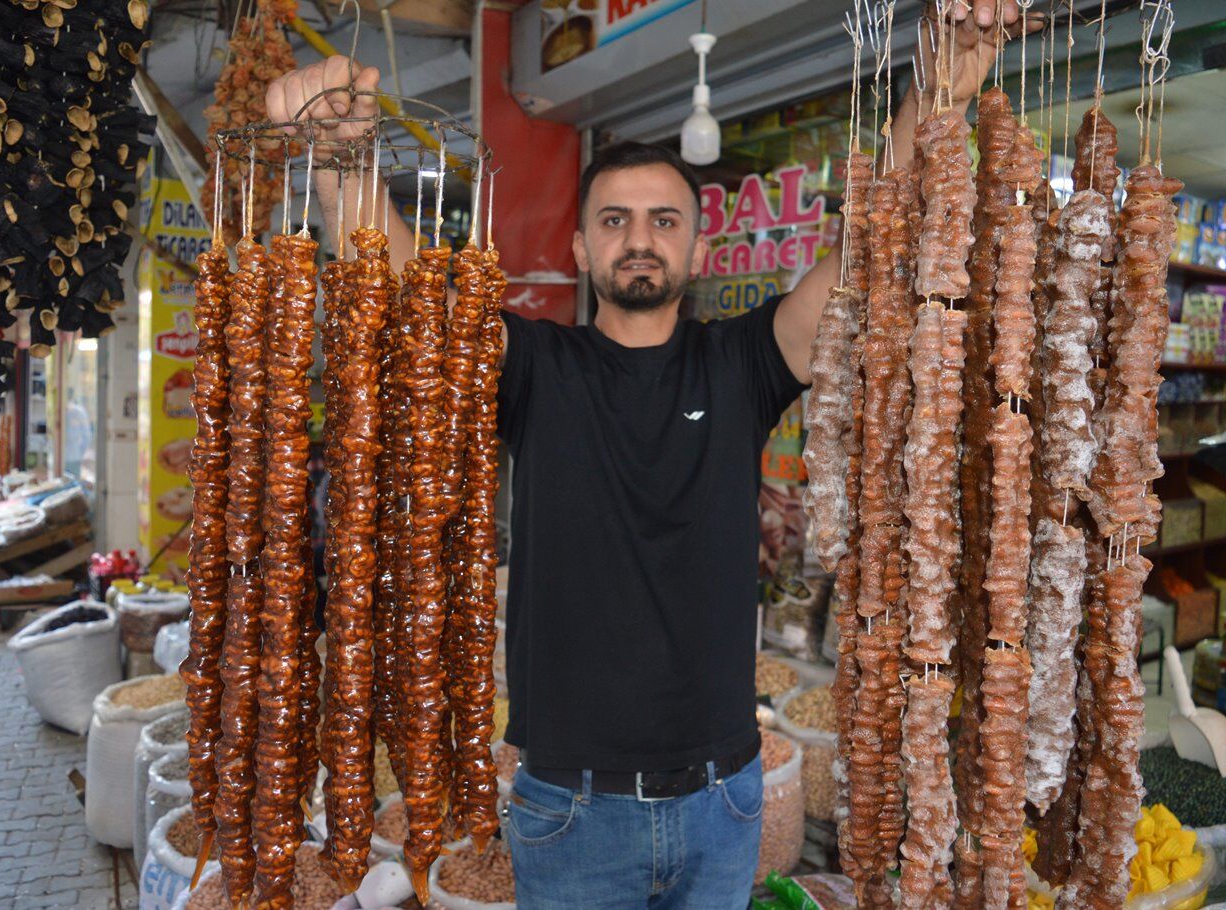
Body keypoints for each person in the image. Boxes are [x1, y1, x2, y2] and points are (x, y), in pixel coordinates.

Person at [268, 3, 1021, 904]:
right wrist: (343, 162)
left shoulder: (744, 362)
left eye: (665, 220)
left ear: (697, 247)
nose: (639, 239)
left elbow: (866, 258)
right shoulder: (536, 367)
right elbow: (408, 304)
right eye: (615, 220)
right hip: (571, 806)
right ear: (580, 245)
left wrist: (937, 97)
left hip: (722, 797)